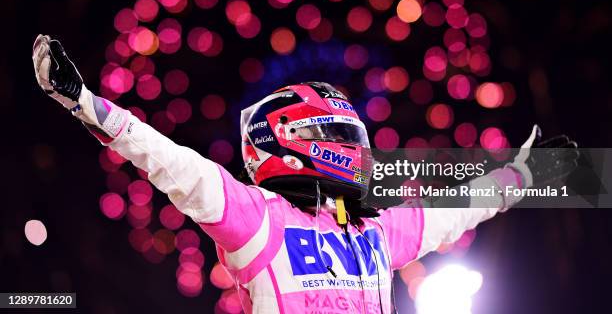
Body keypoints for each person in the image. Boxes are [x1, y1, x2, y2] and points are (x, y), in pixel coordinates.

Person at [32, 35, 578, 314]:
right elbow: (171, 161)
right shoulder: (256, 220)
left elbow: (459, 206)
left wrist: (529, 175)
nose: (353, 150)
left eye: (351, 137)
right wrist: (83, 102)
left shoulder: (377, 232)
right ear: (288, 143)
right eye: (337, 137)